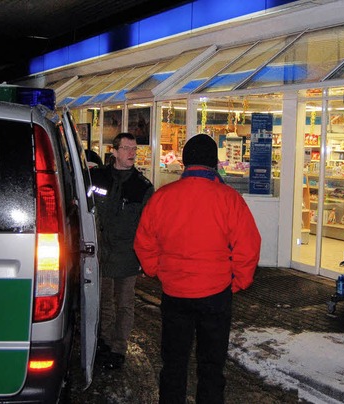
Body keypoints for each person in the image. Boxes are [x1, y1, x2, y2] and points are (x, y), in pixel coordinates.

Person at [134, 134, 261, 403]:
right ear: (214, 163)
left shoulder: (163, 197)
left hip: (175, 293)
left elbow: (144, 242)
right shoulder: (229, 198)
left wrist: (159, 271)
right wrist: (236, 282)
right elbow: (248, 247)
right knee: (212, 365)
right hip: (215, 293)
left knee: (174, 362)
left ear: (185, 162)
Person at [89, 132, 154, 370]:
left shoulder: (142, 186)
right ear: (114, 151)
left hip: (128, 255)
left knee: (125, 304)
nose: (132, 154)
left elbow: (149, 224)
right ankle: (104, 343)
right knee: (104, 301)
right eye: (127, 149)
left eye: (134, 149)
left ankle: (118, 348)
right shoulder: (97, 177)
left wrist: (146, 256)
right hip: (102, 252)